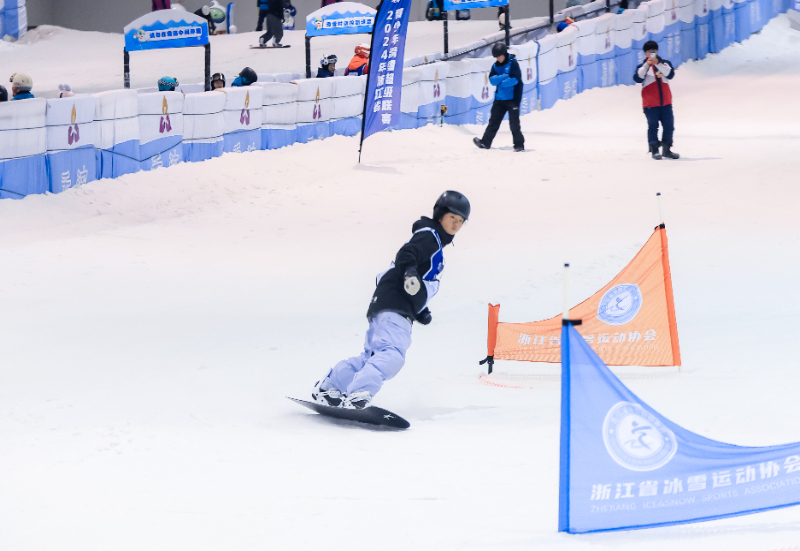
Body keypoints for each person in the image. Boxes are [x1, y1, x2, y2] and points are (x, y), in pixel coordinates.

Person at [311, 191, 471, 410]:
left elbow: (413, 281)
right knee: (392, 355)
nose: (456, 224)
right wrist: (410, 273)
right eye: (452, 217)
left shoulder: (431, 240)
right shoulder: (430, 236)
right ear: (440, 214)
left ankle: (330, 388)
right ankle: (358, 395)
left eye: (461, 221)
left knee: (370, 357)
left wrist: (420, 309)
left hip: (387, 304)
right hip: (396, 308)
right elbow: (406, 255)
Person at [473, 43, 525, 152]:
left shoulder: (513, 64)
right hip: (499, 99)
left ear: (504, 54)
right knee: (493, 122)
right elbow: (492, 80)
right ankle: (485, 143)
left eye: (499, 56)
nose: (498, 59)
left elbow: (515, 80)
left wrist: (500, 81)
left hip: (512, 99)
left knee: (514, 124)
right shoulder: (495, 66)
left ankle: (519, 145)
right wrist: (505, 76)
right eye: (496, 57)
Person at [633, 40, 679, 160]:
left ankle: (667, 148)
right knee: (653, 126)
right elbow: (638, 78)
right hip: (650, 103)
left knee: (669, 126)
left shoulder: (665, 63)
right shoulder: (642, 67)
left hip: (666, 102)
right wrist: (647, 65)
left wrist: (658, 63)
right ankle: (654, 149)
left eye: (654, 51)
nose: (652, 53)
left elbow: (670, 74)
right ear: (645, 53)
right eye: (649, 51)